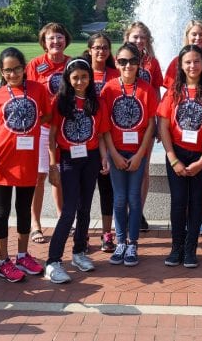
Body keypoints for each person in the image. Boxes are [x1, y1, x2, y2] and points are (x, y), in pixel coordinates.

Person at [0, 47, 51, 283]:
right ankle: (3, 261)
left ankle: (22, 255)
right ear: (2, 71)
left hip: (27, 162)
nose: (13, 74)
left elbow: (47, 117)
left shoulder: (38, 91)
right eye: (8, 70)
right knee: (1, 213)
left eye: (17, 68)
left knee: (23, 210)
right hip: (3, 162)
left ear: (24, 67)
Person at [45, 58, 110, 284]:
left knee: (85, 208)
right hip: (69, 159)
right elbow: (52, 137)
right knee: (69, 209)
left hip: (90, 159)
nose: (80, 81)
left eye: (84, 77)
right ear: (68, 79)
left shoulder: (97, 102)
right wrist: (53, 165)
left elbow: (101, 135)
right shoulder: (60, 102)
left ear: (90, 78)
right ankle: (53, 261)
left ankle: (79, 252)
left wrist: (104, 158)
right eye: (75, 78)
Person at [157, 45, 202, 268]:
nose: (192, 66)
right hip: (177, 153)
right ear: (181, 65)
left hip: (200, 156)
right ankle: (176, 247)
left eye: (196, 61)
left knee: (196, 203)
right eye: (188, 62)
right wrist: (173, 158)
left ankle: (190, 249)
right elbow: (163, 126)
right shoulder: (172, 92)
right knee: (178, 203)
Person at [163, 20, 202, 236]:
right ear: (187, 37)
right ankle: (184, 226)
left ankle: (201, 216)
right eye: (194, 35)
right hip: (180, 139)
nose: (198, 38)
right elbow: (170, 97)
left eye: (201, 35)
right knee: (181, 195)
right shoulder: (176, 62)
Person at [101, 43, 158, 266]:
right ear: (116, 62)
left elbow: (151, 126)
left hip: (137, 153)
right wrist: (112, 154)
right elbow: (104, 127)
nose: (127, 66)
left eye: (132, 61)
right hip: (117, 152)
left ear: (139, 63)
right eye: (123, 61)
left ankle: (133, 243)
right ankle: (121, 241)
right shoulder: (109, 89)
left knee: (134, 198)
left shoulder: (146, 90)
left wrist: (141, 155)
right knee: (119, 198)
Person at [25, 23, 72, 245]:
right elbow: (26, 95)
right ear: (44, 42)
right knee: (40, 176)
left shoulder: (72, 63)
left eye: (59, 37)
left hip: (68, 129)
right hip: (43, 129)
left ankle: (64, 219)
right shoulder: (35, 65)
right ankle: (36, 225)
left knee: (61, 175)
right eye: (51, 38)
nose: (56, 42)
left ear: (66, 40)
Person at [83, 33, 120, 253]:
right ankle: (84, 234)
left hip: (108, 139)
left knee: (107, 191)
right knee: (84, 192)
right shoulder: (80, 72)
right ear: (89, 50)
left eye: (105, 47)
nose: (101, 51)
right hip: (84, 141)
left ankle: (107, 234)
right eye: (96, 47)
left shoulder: (115, 74)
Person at [124, 21, 163, 231]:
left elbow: (157, 92)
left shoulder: (151, 63)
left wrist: (156, 121)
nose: (139, 41)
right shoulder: (118, 59)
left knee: (144, 170)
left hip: (144, 124)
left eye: (142, 37)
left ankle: (137, 213)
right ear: (127, 38)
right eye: (135, 37)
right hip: (121, 124)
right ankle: (124, 213)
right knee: (122, 170)